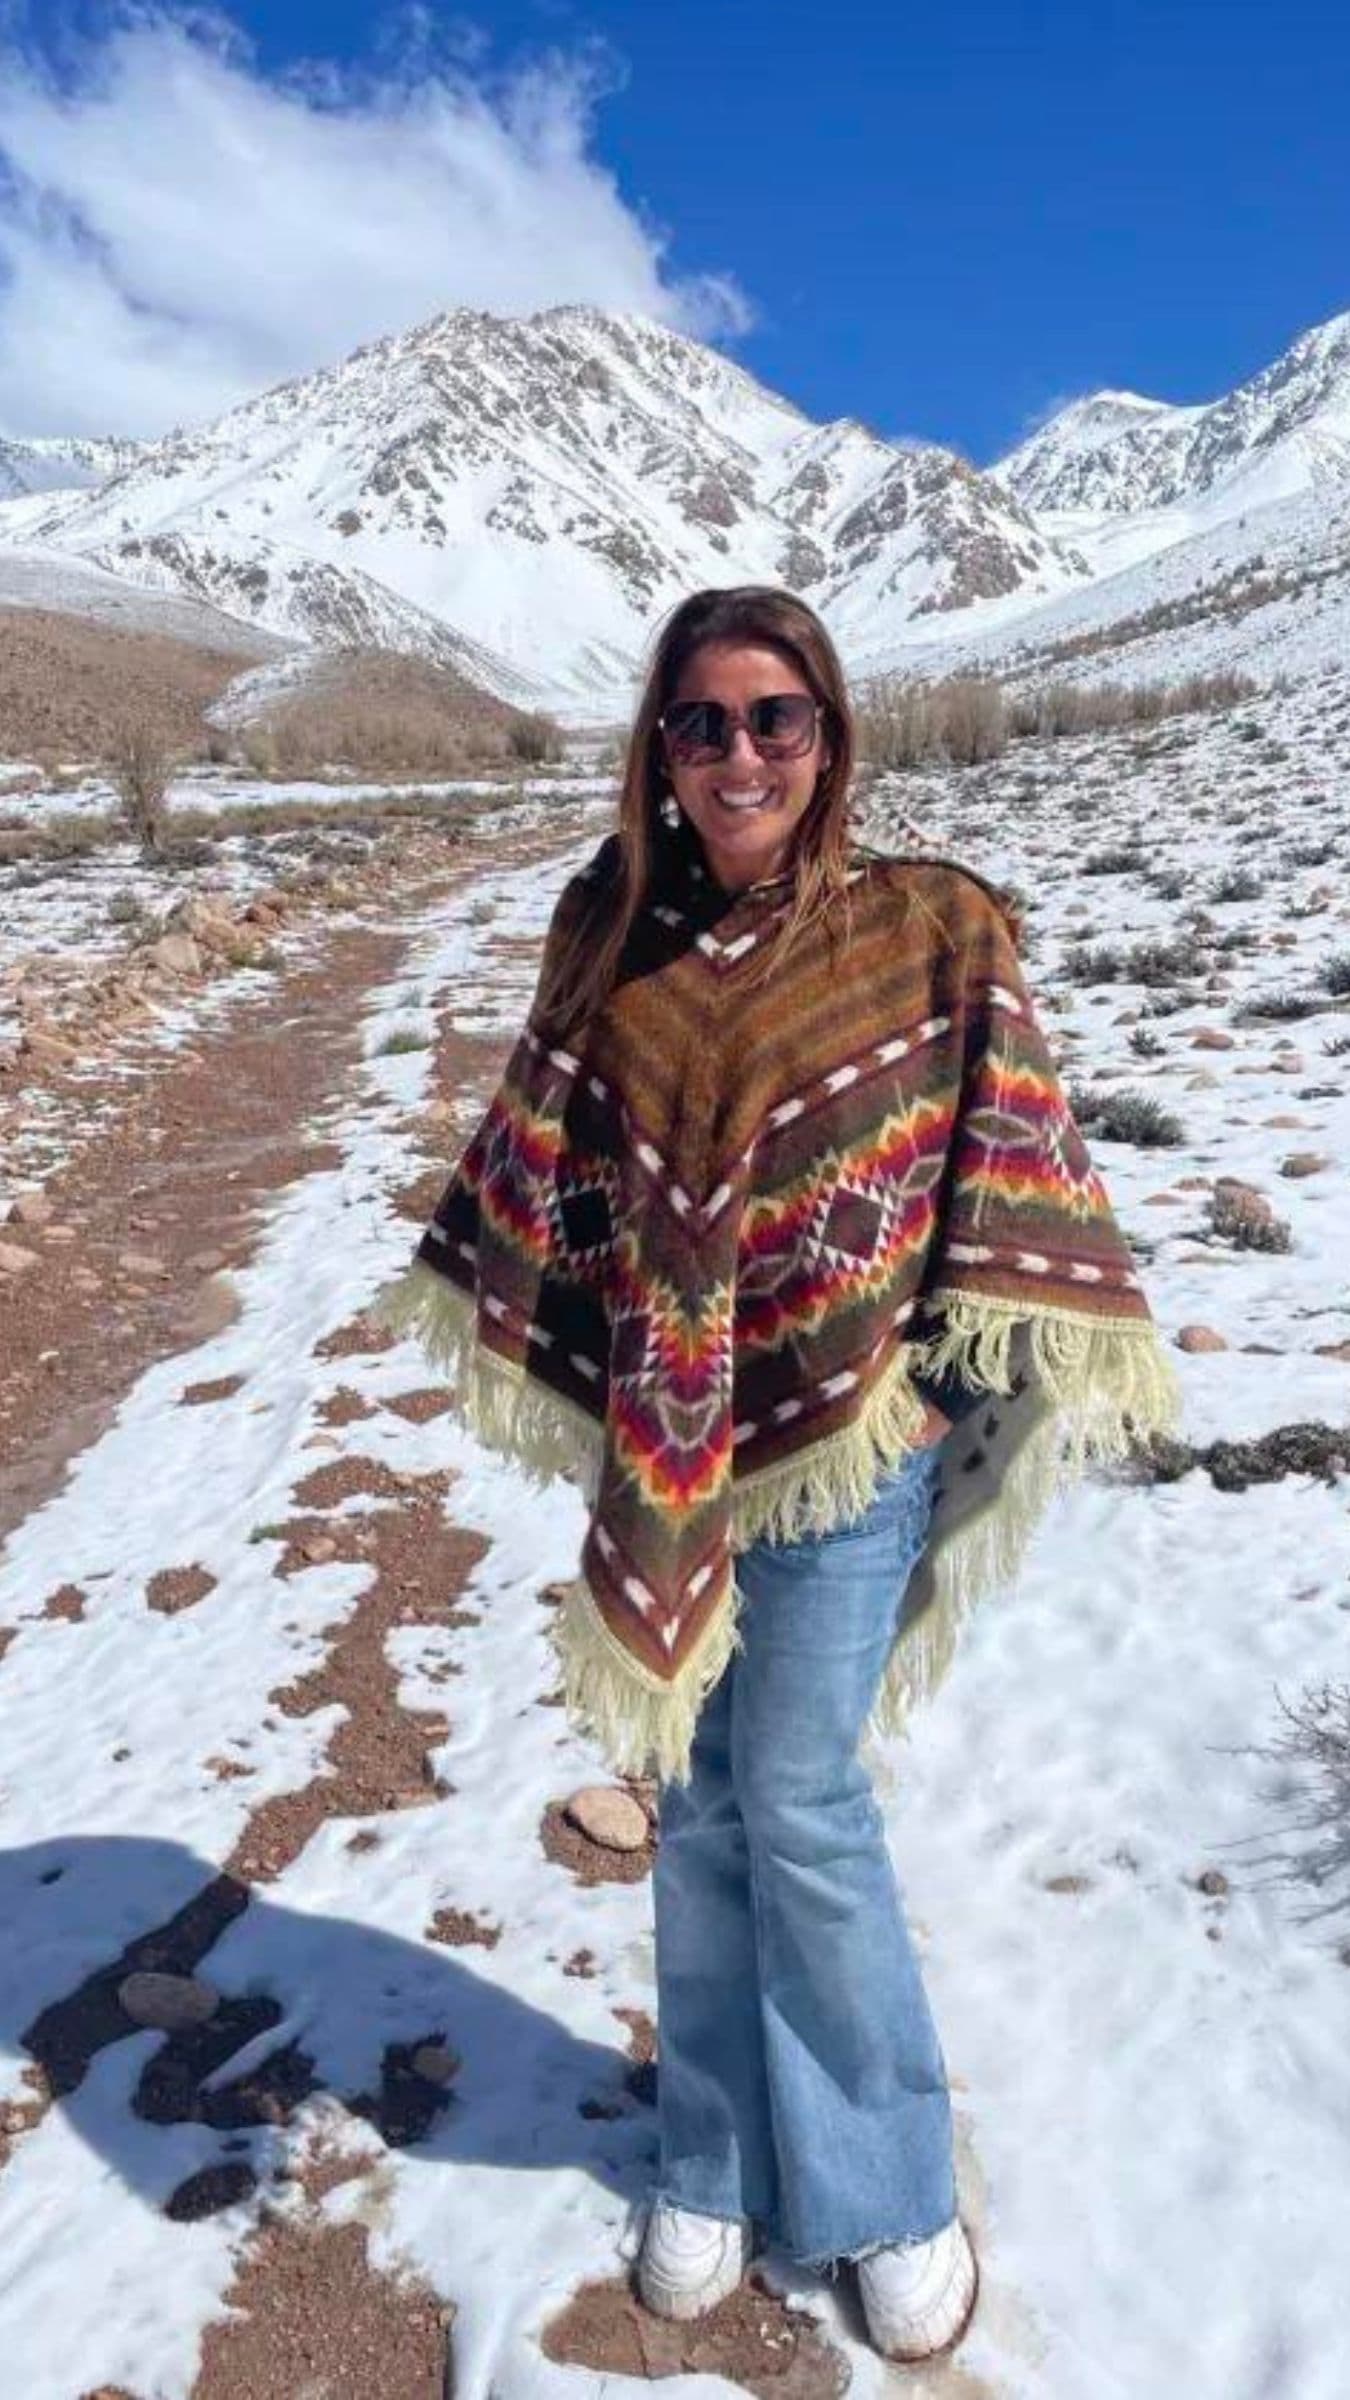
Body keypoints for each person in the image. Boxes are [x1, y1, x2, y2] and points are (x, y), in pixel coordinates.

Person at [376, 586, 1181, 2365]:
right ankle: (713, 2157)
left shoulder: (929, 927)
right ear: (653, 749)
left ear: (829, 740)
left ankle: (884, 2189)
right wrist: (560, 1320)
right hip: (677, 1454)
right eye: (699, 722)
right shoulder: (607, 925)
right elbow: (558, 1146)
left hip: (846, 1456)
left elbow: (1002, 1156)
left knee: (800, 1805)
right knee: (701, 1803)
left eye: (773, 719)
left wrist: (925, 1367)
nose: (737, 754)